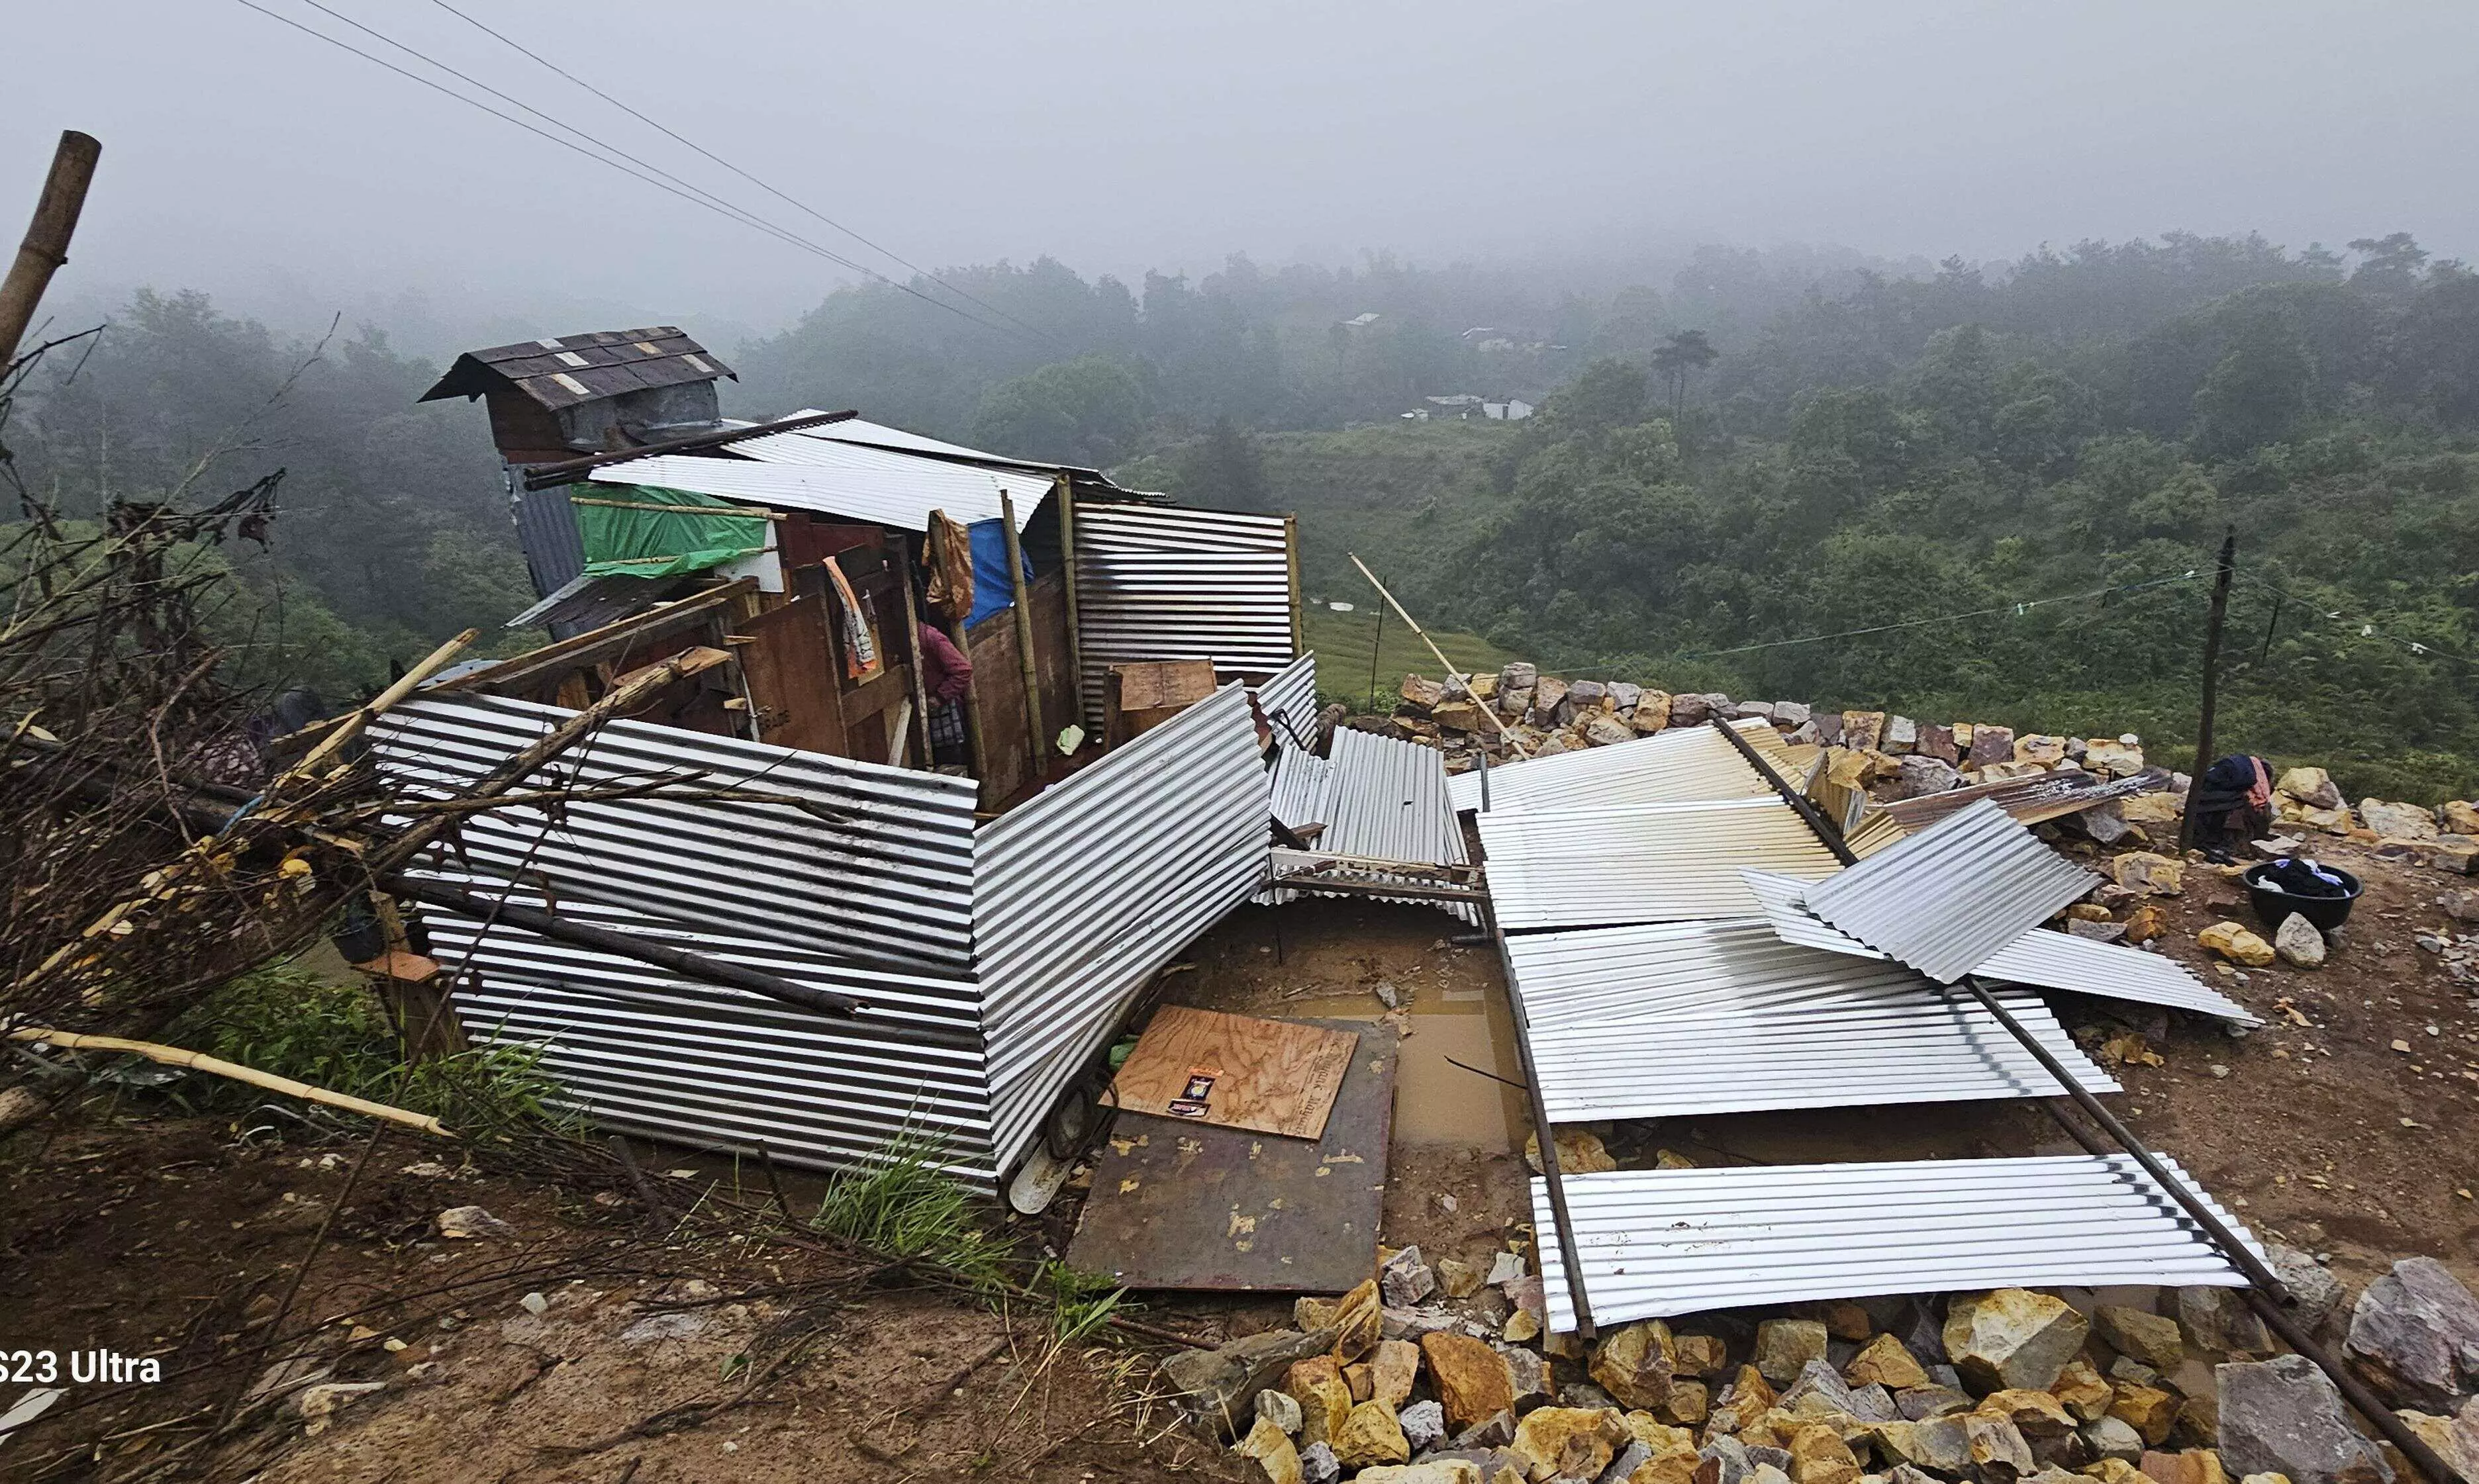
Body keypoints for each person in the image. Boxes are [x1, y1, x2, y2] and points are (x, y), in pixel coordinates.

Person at [2191, 753, 2272, 862]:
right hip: (2223, 808)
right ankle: (2235, 844)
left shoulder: (2237, 771)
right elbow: (2261, 805)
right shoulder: (2254, 786)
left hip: (2203, 802)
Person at [917, 620, 973, 769]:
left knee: (950, 761)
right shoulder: (906, 641)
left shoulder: (931, 638)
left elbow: (963, 670)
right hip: (922, 713)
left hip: (943, 710)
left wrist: (940, 697)